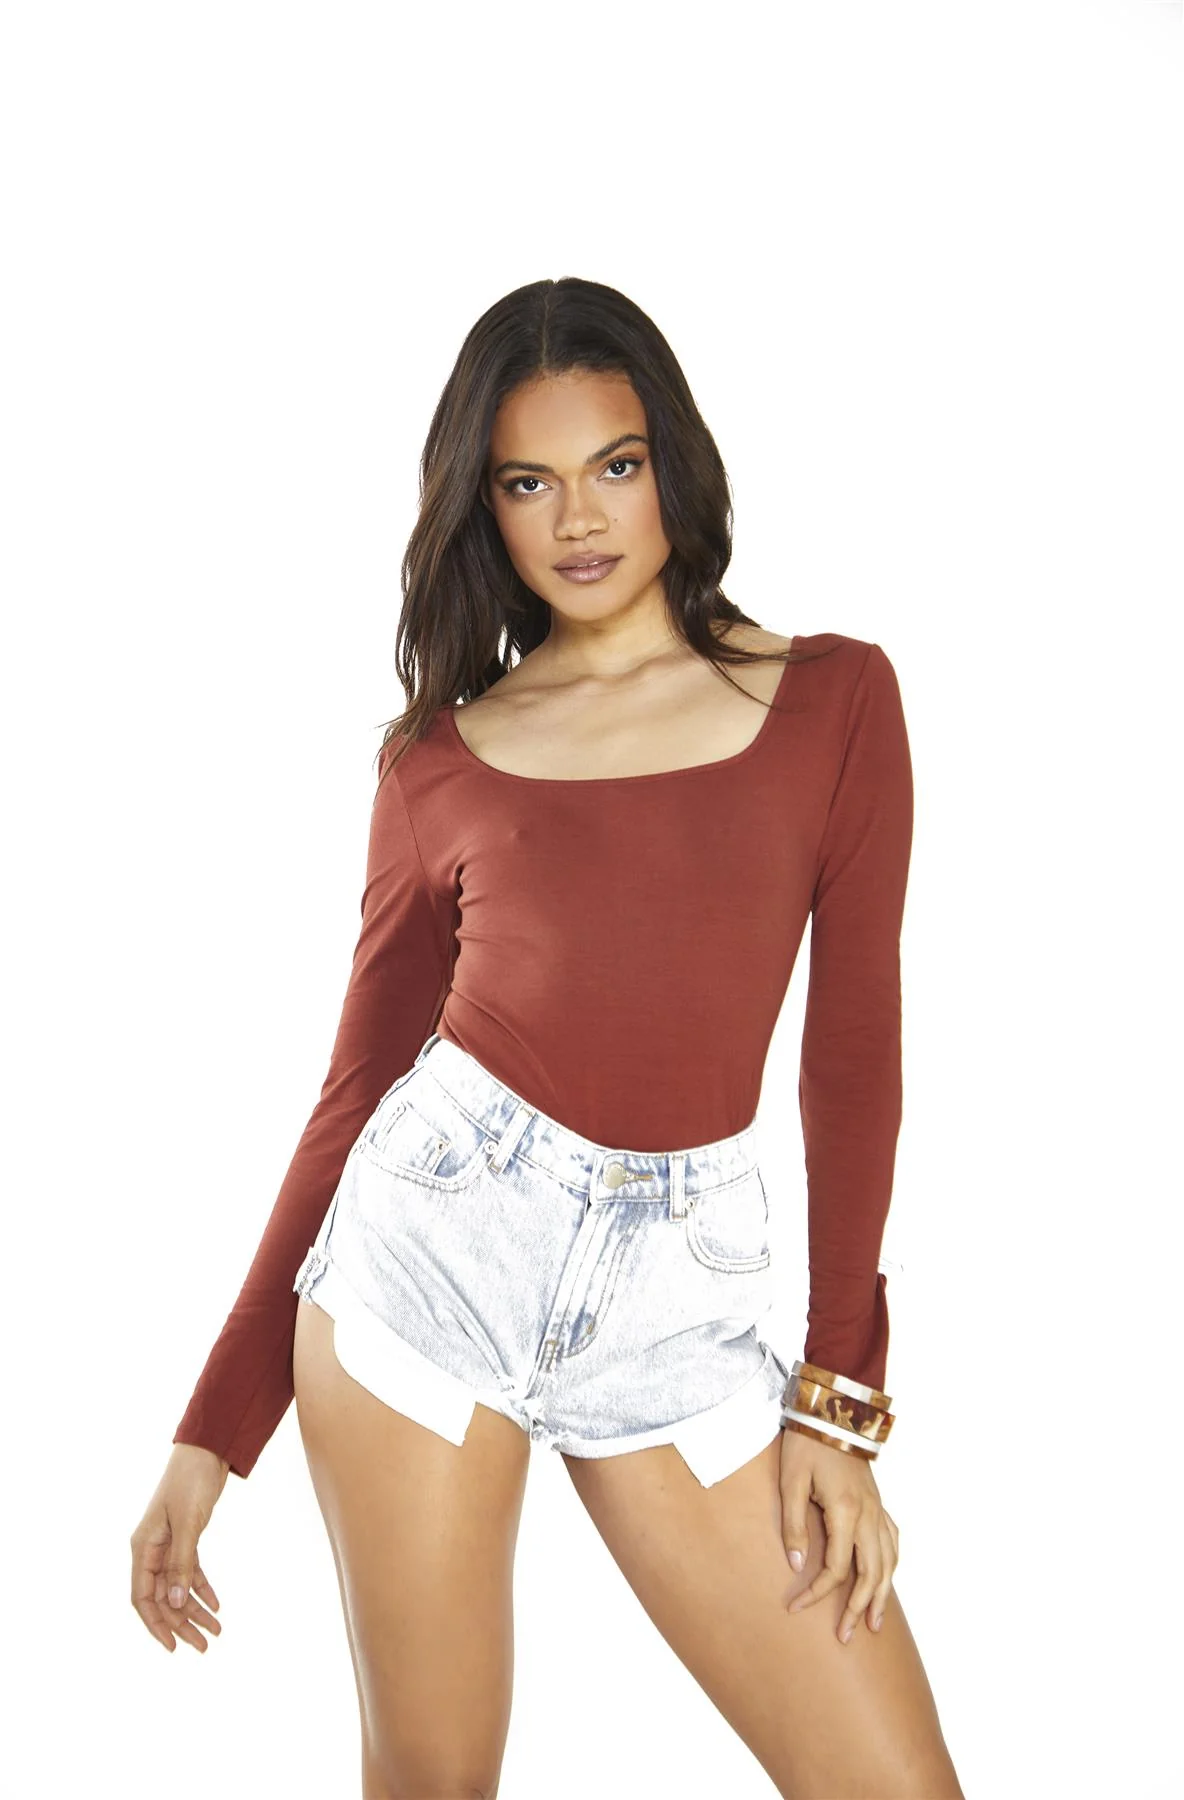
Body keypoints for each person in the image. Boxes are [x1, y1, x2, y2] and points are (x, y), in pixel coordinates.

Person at [130, 276, 964, 1800]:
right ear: (485, 508)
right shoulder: (440, 763)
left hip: (682, 1307)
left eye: (614, 466)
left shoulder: (836, 701)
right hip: (428, 1271)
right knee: (434, 1784)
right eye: (529, 482)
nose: (579, 518)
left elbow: (853, 1055)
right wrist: (215, 1428)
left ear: (672, 468)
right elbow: (358, 1093)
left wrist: (836, 1406)